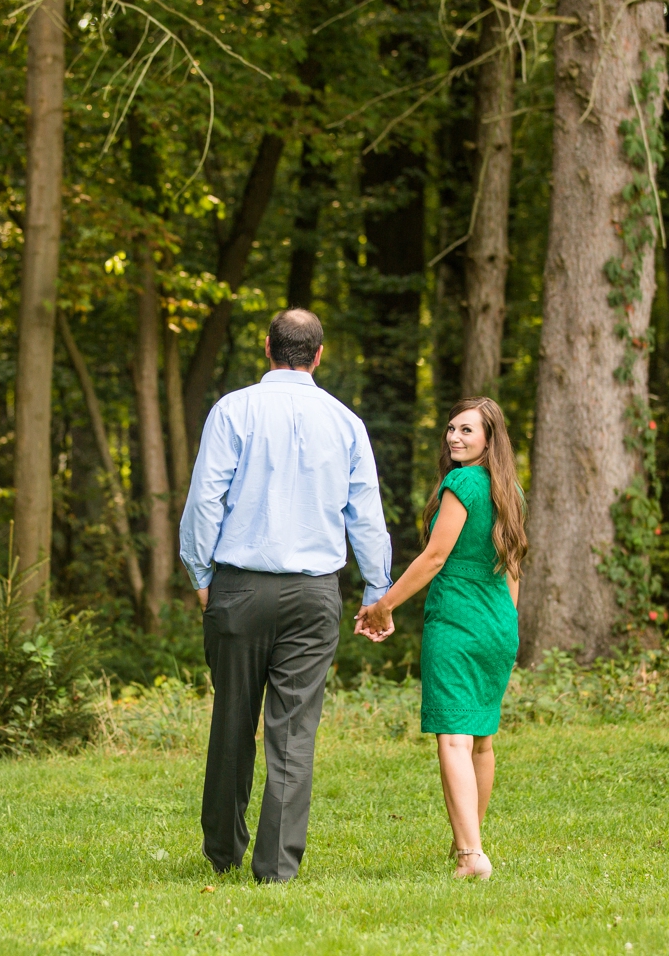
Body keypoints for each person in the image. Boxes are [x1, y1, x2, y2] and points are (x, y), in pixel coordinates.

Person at [179, 308, 392, 884]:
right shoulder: (347, 423)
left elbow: (205, 501)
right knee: (294, 731)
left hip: (239, 586)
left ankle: (222, 850)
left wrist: (201, 575)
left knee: (232, 718)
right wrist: (378, 590)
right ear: (319, 355)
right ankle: (275, 868)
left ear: (267, 348)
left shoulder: (233, 410)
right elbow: (365, 516)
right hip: (315, 594)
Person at [354, 396, 527, 881]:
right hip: (498, 622)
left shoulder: (462, 483)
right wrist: (507, 623)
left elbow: (434, 557)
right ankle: (466, 841)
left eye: (467, 431)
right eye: (451, 429)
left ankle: (472, 857)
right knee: (482, 740)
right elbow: (512, 566)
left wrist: (384, 604)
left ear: (490, 439)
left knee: (454, 737)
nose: (454, 437)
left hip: (458, 620)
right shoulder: (510, 489)